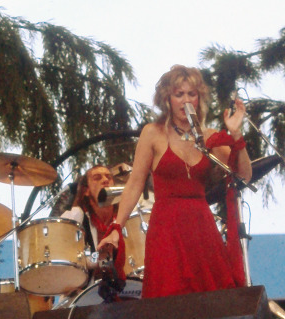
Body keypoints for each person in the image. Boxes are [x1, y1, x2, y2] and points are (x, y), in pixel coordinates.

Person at [101, 65, 252, 298]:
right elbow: (135, 183)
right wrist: (116, 227)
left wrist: (236, 135)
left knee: (212, 301)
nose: (186, 100)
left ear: (199, 97)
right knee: (168, 298)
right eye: (178, 94)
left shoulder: (210, 136)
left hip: (201, 228)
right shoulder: (153, 133)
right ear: (167, 99)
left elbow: (244, 176)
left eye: (191, 94)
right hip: (166, 228)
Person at [60, 165, 126, 303]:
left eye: (109, 177)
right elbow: (66, 259)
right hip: (82, 298)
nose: (105, 180)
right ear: (86, 191)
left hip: (125, 292)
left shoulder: (124, 219)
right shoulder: (75, 217)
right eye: (97, 178)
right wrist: (98, 259)